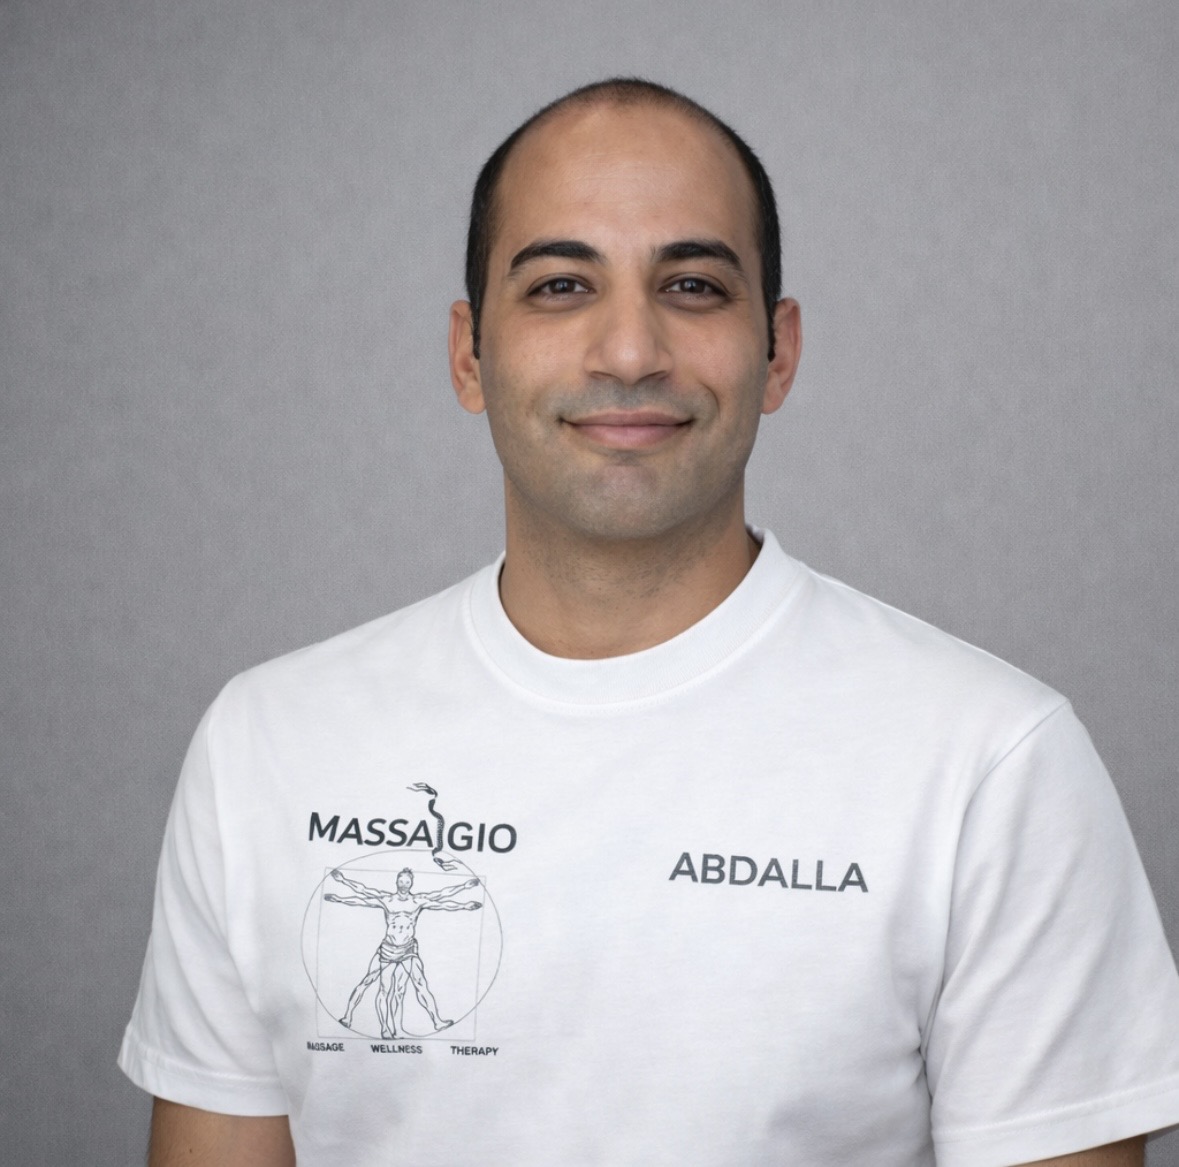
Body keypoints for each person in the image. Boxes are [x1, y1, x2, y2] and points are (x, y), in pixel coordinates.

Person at [120, 78, 1179, 1166]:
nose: (629, 352)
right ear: (469, 355)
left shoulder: (990, 766)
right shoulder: (269, 746)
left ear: (778, 352)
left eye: (692, 285)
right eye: (561, 285)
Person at [325, 867, 482, 1037]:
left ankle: (436, 1021)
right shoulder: (387, 900)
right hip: (388, 949)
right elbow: (362, 894)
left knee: (417, 985)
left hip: (408, 949)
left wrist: (465, 898)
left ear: (411, 883)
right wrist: (340, 890)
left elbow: (442, 898)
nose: (404, 884)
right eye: (401, 881)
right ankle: (363, 1022)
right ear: (396, 882)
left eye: (407, 881)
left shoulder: (418, 901)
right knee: (377, 986)